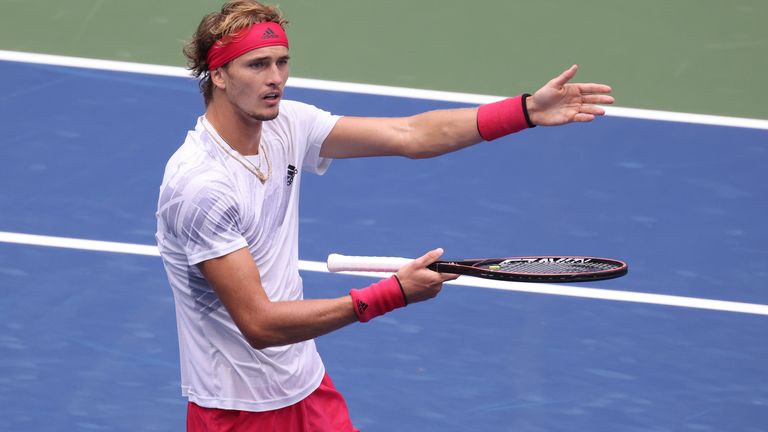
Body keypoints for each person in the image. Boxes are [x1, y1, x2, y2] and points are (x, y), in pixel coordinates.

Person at [155, 1, 614, 430]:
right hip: (237, 410)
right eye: (258, 65)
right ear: (218, 74)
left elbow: (409, 134)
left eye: (282, 62)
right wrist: (391, 294)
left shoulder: (287, 125)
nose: (276, 78)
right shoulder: (200, 187)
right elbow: (259, 324)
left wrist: (526, 110)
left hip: (305, 385)